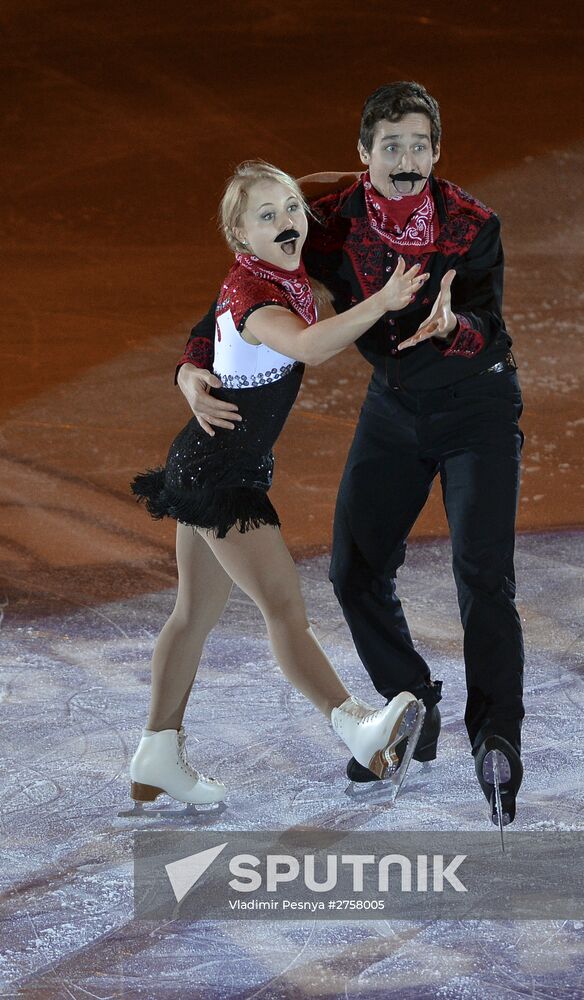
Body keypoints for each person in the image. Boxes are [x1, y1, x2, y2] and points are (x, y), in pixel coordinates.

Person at [177, 83, 525, 830]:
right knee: (354, 569)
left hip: (477, 408)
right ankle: (415, 708)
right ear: (362, 154)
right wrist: (191, 362)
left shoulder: (471, 226)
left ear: (437, 152)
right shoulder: (325, 221)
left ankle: (497, 737)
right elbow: (244, 281)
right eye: (390, 146)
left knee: (480, 575)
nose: (406, 162)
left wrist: (451, 325)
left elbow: (491, 329)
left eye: (419, 146)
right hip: (396, 409)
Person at [128, 160, 428, 811]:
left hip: (212, 464)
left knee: (193, 616)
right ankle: (359, 729)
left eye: (290, 208)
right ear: (240, 236)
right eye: (267, 217)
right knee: (285, 610)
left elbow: (203, 334)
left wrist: (376, 181)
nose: (288, 220)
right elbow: (309, 347)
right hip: (220, 478)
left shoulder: (278, 262)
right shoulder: (257, 295)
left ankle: (158, 750)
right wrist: (381, 302)